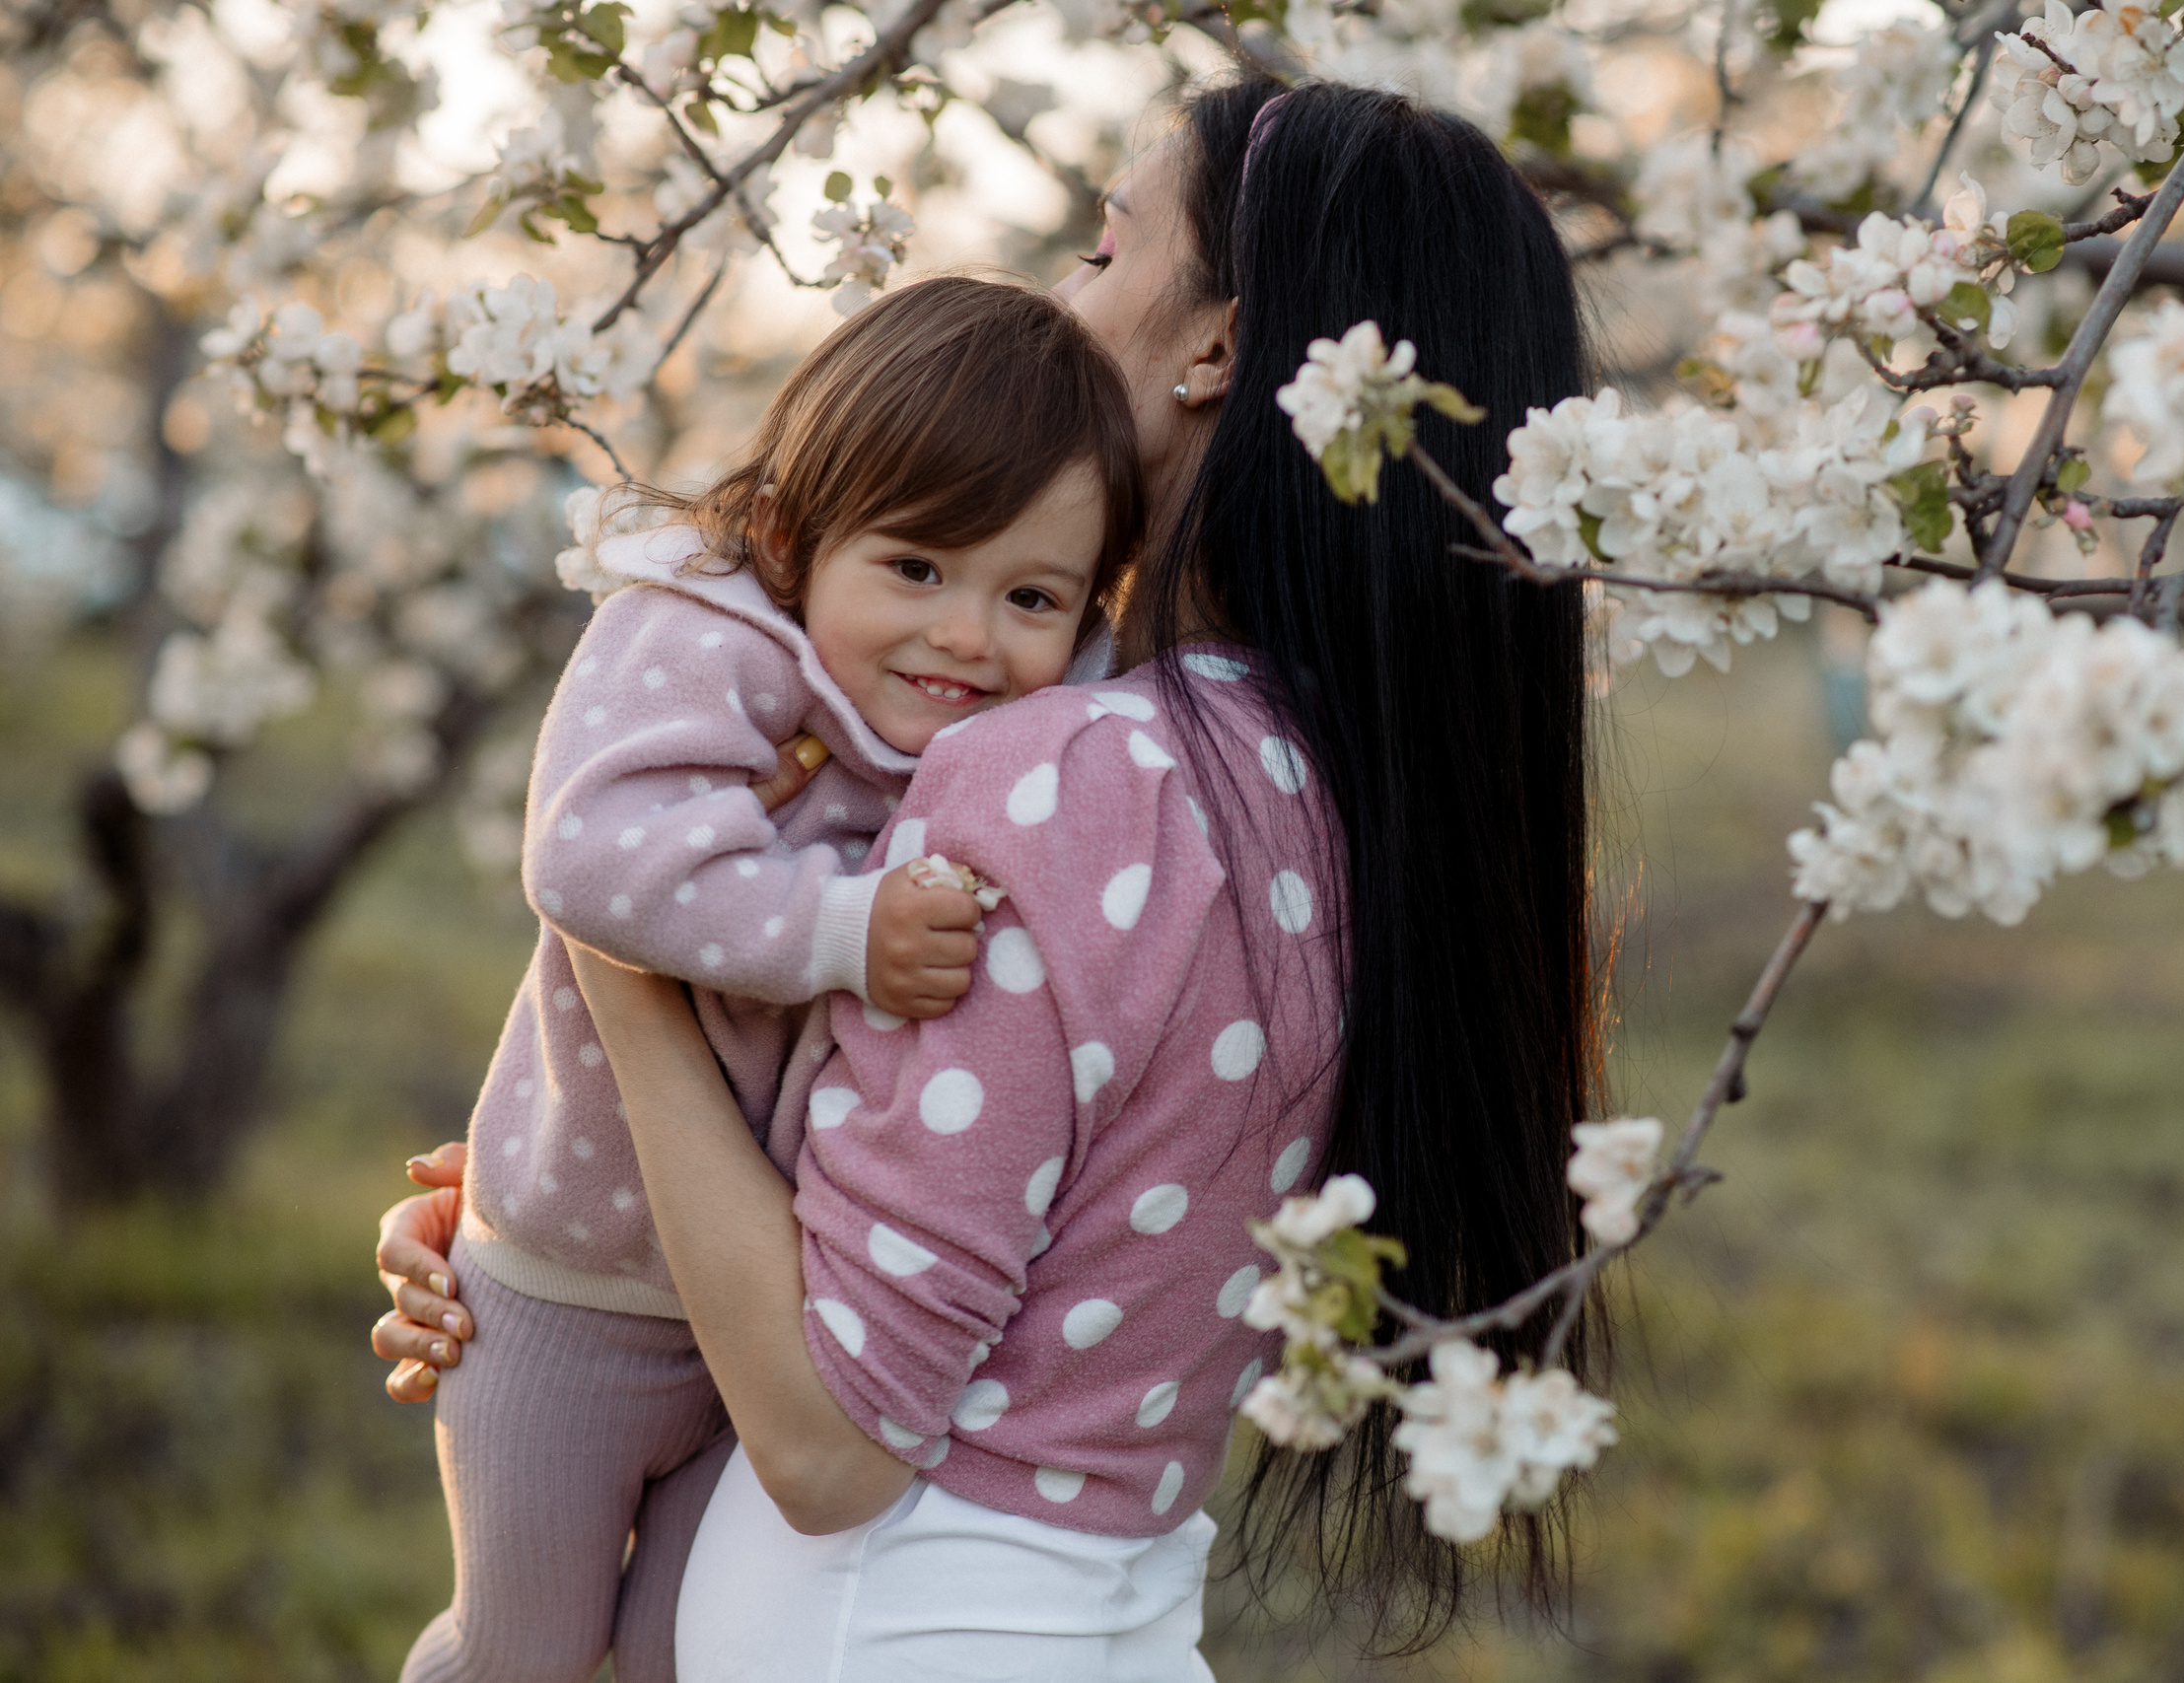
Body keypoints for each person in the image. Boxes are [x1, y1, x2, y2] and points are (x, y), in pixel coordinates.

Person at [375, 75, 1603, 1674]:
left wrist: (624, 995)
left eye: (1104, 251)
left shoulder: (1076, 778)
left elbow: (827, 1442)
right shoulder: (1350, 795)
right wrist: (560, 1232)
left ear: (1216, 346)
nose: (1058, 295)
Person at [397, 276, 1144, 1683]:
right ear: (798, 541)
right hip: (573, 1286)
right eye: (917, 569)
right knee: (522, 1651)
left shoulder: (1051, 732)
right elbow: (591, 859)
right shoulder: (709, 638)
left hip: (779, 1324)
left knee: (686, 1656)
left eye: (1030, 596)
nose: (968, 637)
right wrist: (842, 929)